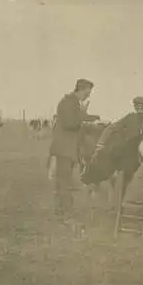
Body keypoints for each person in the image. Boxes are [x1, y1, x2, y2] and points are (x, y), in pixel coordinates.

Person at [49, 78, 100, 228]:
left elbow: (76, 120)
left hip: (68, 149)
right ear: (81, 89)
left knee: (62, 182)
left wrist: (90, 117)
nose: (88, 96)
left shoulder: (72, 103)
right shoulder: (67, 103)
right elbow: (70, 123)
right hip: (64, 149)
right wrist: (87, 117)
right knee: (65, 183)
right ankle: (67, 216)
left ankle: (60, 212)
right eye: (87, 93)